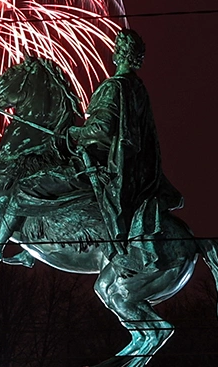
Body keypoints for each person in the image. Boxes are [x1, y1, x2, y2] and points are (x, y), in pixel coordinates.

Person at [66, 28, 183, 268]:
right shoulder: (138, 88)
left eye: (117, 48)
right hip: (136, 169)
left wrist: (74, 131)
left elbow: (102, 130)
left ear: (118, 54)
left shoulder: (114, 86)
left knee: (51, 182)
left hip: (110, 163)